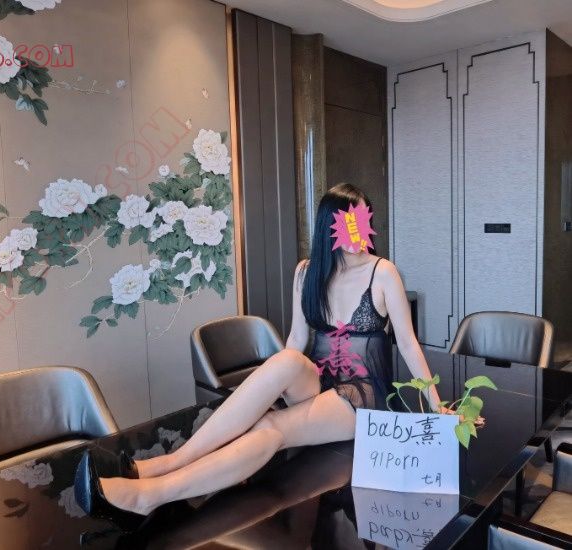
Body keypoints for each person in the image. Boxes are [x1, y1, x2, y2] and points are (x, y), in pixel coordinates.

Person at [74, 183, 445, 531]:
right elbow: (297, 339)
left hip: (361, 397)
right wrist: (270, 389)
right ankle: (168, 462)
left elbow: (408, 344)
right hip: (318, 381)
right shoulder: (308, 272)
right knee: (284, 363)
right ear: (329, 226)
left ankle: (151, 494)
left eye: (361, 218)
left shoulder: (382, 272)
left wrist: (436, 405)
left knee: (270, 429)